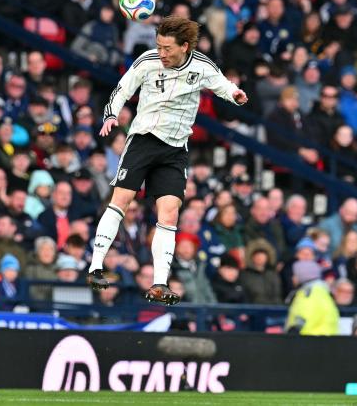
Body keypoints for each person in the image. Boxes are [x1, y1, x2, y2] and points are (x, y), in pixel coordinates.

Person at [87, 16, 248, 304]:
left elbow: (222, 84)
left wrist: (234, 94)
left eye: (167, 48)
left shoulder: (201, 66)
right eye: (158, 46)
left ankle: (160, 283)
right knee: (121, 200)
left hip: (175, 149)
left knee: (170, 213)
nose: (161, 53)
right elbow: (122, 90)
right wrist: (111, 114)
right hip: (144, 140)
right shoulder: (146, 62)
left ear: (184, 46)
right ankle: (96, 266)